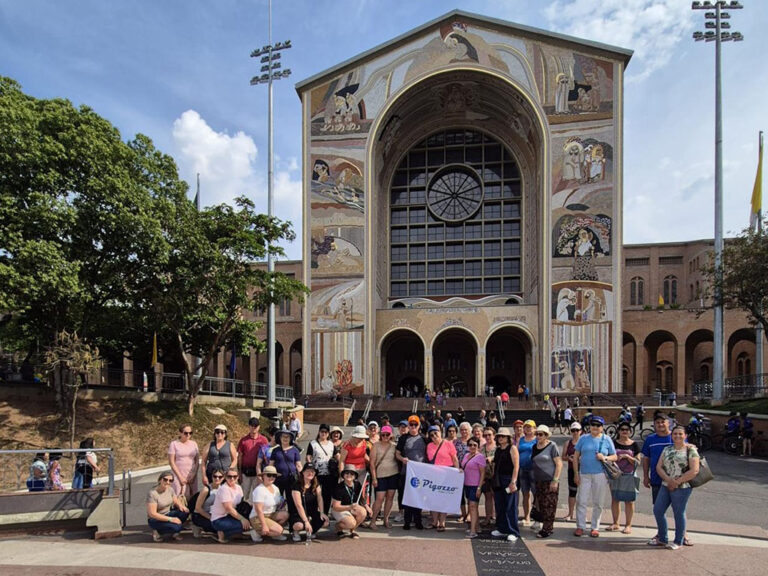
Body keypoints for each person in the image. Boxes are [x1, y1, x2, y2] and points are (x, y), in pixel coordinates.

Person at [653, 426, 700, 549]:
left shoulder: (691, 450)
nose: (677, 436)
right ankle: (662, 538)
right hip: (666, 484)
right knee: (658, 510)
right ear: (671, 435)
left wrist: (677, 482)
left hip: (683, 486)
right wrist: (669, 480)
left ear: (685, 436)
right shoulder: (667, 449)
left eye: (680, 434)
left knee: (679, 513)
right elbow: (659, 467)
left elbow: (694, 470)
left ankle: (678, 540)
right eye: (675, 434)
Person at [572, 415, 617, 537]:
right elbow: (575, 457)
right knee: (581, 500)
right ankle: (580, 526)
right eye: (593, 425)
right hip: (584, 473)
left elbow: (615, 456)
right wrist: (576, 473)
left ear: (602, 428)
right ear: (589, 426)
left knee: (598, 502)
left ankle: (595, 527)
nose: (595, 427)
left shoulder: (606, 439)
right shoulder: (583, 439)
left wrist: (605, 457)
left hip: (600, 474)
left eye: (598, 425)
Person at [641, 411, 677, 546]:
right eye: (657, 422)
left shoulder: (676, 437)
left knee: (678, 509)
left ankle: (682, 534)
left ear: (668, 423)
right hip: (657, 480)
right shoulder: (650, 439)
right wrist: (645, 476)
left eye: (663, 422)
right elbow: (646, 458)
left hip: (676, 480)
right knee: (658, 509)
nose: (660, 424)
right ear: (654, 424)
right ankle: (662, 534)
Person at [607, 422, 641, 534]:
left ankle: (628, 525)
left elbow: (638, 461)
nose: (624, 431)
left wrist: (627, 456)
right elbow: (609, 457)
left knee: (629, 500)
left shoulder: (634, 444)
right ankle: (615, 523)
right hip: (616, 474)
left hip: (629, 474)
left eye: (627, 429)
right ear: (619, 431)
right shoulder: (613, 443)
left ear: (630, 431)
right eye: (622, 429)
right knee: (615, 499)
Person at [425, 424, 459, 531]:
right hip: (434, 475)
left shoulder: (449, 444)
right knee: (434, 499)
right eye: (431, 435)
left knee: (444, 499)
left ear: (440, 432)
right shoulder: (429, 446)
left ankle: (442, 522)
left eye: (436, 433)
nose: (434, 436)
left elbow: (455, 459)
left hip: (447, 474)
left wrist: (457, 471)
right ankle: (435, 521)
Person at [396, 414, 427, 530]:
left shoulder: (424, 438)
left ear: (419, 426)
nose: (413, 426)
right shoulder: (403, 438)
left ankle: (418, 520)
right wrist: (402, 459)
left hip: (420, 473)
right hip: (407, 472)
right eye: (411, 424)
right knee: (407, 496)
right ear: (408, 426)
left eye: (415, 424)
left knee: (418, 497)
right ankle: (407, 521)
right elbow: (397, 454)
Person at [530, 425, 562, 538]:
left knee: (549, 505)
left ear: (546, 435)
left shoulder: (552, 446)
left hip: (550, 480)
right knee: (540, 504)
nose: (538, 436)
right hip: (538, 480)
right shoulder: (534, 447)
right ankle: (546, 526)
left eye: (541, 434)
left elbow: (559, 463)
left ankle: (547, 529)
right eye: (537, 434)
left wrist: (555, 480)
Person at [490, 427, 519, 542]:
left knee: (510, 506)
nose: (500, 438)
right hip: (498, 479)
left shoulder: (512, 448)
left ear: (508, 438)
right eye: (499, 436)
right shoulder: (498, 449)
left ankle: (513, 531)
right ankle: (502, 528)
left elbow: (516, 466)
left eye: (503, 436)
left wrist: (513, 481)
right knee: (499, 505)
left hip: (508, 479)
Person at [289, 463, 329, 541]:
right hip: (298, 513)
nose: (310, 473)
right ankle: (295, 532)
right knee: (299, 525)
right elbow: (298, 505)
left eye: (312, 471)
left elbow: (320, 498)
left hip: (312, 511)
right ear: (303, 472)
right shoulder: (296, 485)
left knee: (324, 521)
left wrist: (322, 512)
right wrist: (306, 521)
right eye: (307, 471)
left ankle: (312, 531)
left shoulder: (316, 484)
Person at [369, 424, 398, 529]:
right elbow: (372, 463)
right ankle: (373, 521)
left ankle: (386, 519)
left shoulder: (394, 445)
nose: (385, 436)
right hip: (380, 476)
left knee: (390, 498)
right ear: (380, 434)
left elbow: (398, 457)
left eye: (387, 434)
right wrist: (374, 478)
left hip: (393, 474)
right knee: (379, 499)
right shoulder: (375, 445)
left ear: (391, 435)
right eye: (383, 434)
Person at [209, 467, 250, 543]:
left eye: (234, 476)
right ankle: (222, 533)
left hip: (230, 516)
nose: (232, 479)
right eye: (229, 476)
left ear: (238, 477)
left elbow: (240, 504)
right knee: (246, 525)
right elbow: (228, 508)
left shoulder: (238, 488)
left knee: (251, 520)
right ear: (225, 477)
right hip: (219, 519)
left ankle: (236, 533)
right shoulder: (224, 489)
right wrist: (242, 519)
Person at [146, 471, 189, 542]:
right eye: (165, 479)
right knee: (177, 527)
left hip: (168, 513)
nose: (168, 482)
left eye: (170, 480)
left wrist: (181, 506)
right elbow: (152, 514)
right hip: (155, 519)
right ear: (160, 480)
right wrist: (171, 519)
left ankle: (173, 531)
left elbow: (175, 500)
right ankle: (157, 531)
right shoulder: (153, 494)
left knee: (184, 512)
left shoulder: (170, 489)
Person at [250, 465, 289, 542]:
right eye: (269, 475)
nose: (271, 477)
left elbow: (279, 501)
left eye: (274, 475)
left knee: (285, 514)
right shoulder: (259, 490)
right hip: (257, 517)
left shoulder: (275, 488)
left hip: (271, 514)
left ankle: (273, 533)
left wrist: (282, 504)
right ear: (263, 476)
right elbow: (258, 510)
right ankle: (257, 532)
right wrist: (264, 525)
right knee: (279, 531)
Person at [331, 465, 371, 539]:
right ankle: (338, 527)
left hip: (352, 506)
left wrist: (366, 506)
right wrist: (349, 507)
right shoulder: (339, 487)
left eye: (352, 473)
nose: (349, 475)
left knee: (363, 512)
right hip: (340, 509)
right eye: (347, 473)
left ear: (355, 476)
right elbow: (335, 507)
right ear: (343, 475)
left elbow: (361, 497)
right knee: (351, 523)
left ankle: (352, 531)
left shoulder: (357, 484)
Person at [306, 423, 338, 514]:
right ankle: (314, 513)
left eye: (326, 432)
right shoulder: (313, 443)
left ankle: (325, 513)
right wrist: (309, 465)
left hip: (329, 473)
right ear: (319, 432)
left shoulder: (331, 444)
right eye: (322, 431)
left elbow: (337, 456)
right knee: (315, 493)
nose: (323, 434)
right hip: (316, 473)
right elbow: (309, 456)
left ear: (328, 434)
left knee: (327, 495)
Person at [237, 417, 269, 501]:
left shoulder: (264, 440)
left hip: (258, 473)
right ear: (249, 426)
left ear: (259, 427)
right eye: (252, 425)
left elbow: (267, 457)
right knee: (244, 496)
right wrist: (239, 472)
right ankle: (243, 513)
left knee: (258, 496)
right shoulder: (243, 440)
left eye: (255, 425)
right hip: (246, 472)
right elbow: (239, 457)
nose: (253, 427)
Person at [461, 437, 486, 538]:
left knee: (472, 506)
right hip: (467, 484)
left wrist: (479, 488)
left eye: (475, 445)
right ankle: (477, 526)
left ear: (478, 446)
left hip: (475, 485)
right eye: (470, 445)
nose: (472, 447)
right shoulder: (466, 455)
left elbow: (482, 473)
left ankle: (473, 531)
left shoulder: (480, 457)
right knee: (472, 506)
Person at [168, 424, 199, 500]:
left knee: (193, 497)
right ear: (180, 433)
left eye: (190, 433)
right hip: (179, 474)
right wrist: (180, 477)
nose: (188, 435)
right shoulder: (174, 444)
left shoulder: (194, 444)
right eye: (186, 433)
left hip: (192, 474)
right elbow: (172, 462)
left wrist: (194, 474)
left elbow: (197, 461)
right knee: (180, 496)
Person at [192, 468, 224, 538]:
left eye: (220, 477)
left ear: (223, 478)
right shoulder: (206, 490)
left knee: (225, 527)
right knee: (218, 528)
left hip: (213, 514)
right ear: (212, 477)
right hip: (200, 515)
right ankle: (198, 526)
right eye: (215, 476)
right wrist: (210, 517)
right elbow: (197, 508)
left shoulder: (223, 489)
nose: (217, 479)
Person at [270, 429, 302, 497]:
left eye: (287, 437)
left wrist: (302, 477)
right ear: (280, 438)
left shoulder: (295, 450)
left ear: (290, 439)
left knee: (291, 500)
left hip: (291, 479)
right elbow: (271, 465)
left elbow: (298, 465)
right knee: (277, 499)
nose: (285, 438)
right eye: (283, 436)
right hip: (278, 479)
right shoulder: (275, 450)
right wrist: (269, 476)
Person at [517, 420, 537, 525]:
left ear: (535, 428)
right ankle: (527, 517)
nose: (528, 429)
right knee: (525, 494)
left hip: (534, 469)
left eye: (530, 427)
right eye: (526, 427)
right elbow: (516, 452)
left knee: (536, 494)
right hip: (522, 469)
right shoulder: (521, 440)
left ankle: (538, 517)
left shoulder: (537, 439)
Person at [561, 422, 581, 521]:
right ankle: (570, 513)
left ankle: (581, 514)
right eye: (573, 430)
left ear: (581, 431)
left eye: (577, 430)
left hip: (582, 470)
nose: (575, 432)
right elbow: (563, 457)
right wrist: (569, 458)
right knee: (572, 492)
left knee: (582, 493)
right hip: (571, 469)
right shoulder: (567, 443)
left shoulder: (583, 443)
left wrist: (578, 459)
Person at [480, 427, 496, 526]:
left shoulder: (497, 447)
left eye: (489, 434)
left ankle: (498, 518)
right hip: (486, 475)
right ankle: (488, 517)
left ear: (494, 435)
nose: (487, 437)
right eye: (485, 435)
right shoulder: (482, 448)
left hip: (496, 476)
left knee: (497, 498)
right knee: (488, 497)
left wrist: (492, 457)